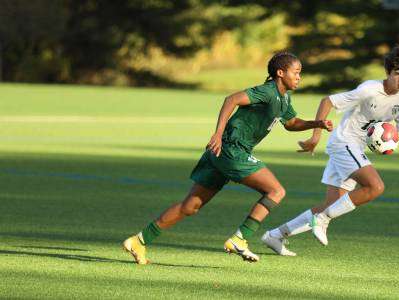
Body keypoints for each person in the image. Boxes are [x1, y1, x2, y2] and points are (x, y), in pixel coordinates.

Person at [123, 51, 333, 264]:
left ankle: (139, 240)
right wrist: (217, 133)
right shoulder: (267, 91)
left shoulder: (284, 97)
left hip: (221, 153)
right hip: (232, 149)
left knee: (190, 206)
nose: (299, 77)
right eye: (296, 72)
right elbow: (232, 99)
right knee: (276, 191)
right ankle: (240, 239)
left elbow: (290, 123)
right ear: (280, 73)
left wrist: (316, 124)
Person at [261, 45, 399, 256]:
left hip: (356, 148)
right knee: (375, 187)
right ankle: (322, 219)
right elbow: (327, 101)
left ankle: (275, 235)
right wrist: (315, 136)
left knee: (332, 205)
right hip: (344, 143)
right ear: (388, 73)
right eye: (397, 74)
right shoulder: (369, 90)